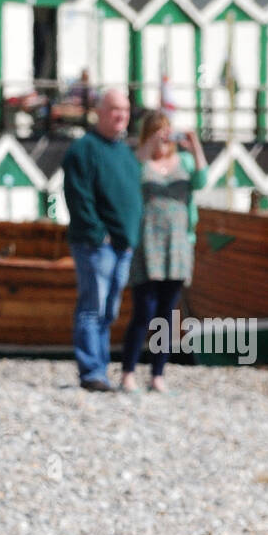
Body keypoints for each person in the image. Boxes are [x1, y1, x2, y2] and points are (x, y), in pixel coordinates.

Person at [120, 113, 208, 393]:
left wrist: (195, 147)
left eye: (166, 131)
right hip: (147, 245)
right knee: (143, 311)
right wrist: (149, 147)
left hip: (177, 246)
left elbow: (202, 180)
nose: (164, 137)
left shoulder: (183, 162)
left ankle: (158, 374)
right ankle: (128, 372)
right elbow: (129, 176)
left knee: (167, 315)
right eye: (158, 132)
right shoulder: (141, 162)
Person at [62, 88, 143, 391]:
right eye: (114, 109)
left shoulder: (123, 151)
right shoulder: (83, 149)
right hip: (96, 245)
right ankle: (92, 371)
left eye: (124, 109)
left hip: (123, 244)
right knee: (92, 307)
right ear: (99, 111)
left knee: (109, 311)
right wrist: (99, 234)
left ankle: (101, 367)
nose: (120, 115)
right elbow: (78, 196)